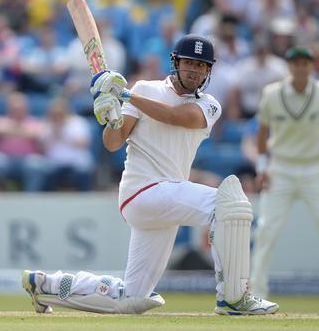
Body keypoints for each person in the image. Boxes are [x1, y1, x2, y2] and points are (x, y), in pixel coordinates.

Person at [22, 35, 279, 315]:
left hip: (165, 198)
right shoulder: (145, 89)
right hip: (142, 191)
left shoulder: (209, 105)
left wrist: (126, 96)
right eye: (189, 63)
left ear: (209, 70)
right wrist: (111, 116)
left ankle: (46, 285)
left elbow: (177, 117)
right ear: (175, 63)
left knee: (131, 299)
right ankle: (234, 298)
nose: (194, 70)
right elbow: (113, 143)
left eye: (201, 65)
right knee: (230, 205)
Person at [250, 46, 319, 313]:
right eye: (295, 63)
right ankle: (256, 293)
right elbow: (262, 133)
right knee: (265, 231)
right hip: (280, 168)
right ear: (289, 66)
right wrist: (262, 167)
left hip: (314, 169)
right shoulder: (272, 94)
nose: (300, 68)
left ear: (311, 65)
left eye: (304, 63)